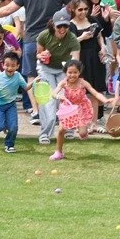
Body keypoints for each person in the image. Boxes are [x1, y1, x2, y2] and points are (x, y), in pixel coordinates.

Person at [34, 9, 81, 145]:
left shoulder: (72, 38)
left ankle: (69, 128)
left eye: (65, 26)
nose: (62, 29)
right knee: (49, 101)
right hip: (46, 68)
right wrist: (42, 55)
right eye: (59, 26)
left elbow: (75, 61)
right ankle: (45, 134)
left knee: (66, 97)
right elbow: (38, 54)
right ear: (53, 25)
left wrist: (72, 77)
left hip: (63, 69)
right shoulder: (44, 35)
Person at [48, 60, 110, 160]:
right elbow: (53, 93)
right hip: (68, 108)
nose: (72, 75)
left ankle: (82, 131)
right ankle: (58, 152)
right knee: (61, 130)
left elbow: (95, 93)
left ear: (79, 72)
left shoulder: (83, 83)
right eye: (70, 72)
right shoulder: (64, 83)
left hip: (81, 109)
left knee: (82, 133)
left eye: (75, 72)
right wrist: (59, 96)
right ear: (65, 72)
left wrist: (105, 100)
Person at [68, 0, 108, 127]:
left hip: (95, 57)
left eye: (85, 9)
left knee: (94, 90)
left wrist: (103, 47)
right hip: (81, 58)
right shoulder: (71, 25)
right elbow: (69, 43)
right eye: (80, 9)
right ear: (73, 10)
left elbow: (100, 36)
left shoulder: (92, 20)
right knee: (80, 91)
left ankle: (93, 122)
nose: (83, 12)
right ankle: (80, 122)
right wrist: (81, 37)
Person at [0, 51, 29, 153]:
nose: (10, 68)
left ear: (17, 66)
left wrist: (35, 82)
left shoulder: (18, 76)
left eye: (13, 65)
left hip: (11, 105)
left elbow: (26, 87)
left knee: (13, 127)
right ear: (3, 65)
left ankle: (9, 145)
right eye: (7, 65)